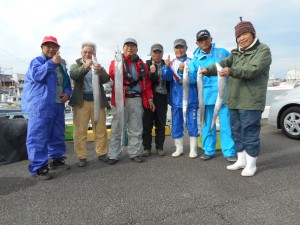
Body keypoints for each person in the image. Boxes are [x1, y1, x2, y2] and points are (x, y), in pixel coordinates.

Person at [201, 18, 272, 176]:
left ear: (252, 34)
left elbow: (253, 69)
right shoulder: (235, 54)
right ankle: (241, 160)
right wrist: (207, 70)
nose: (241, 38)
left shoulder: (263, 50)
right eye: (238, 36)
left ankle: (251, 164)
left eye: (244, 33)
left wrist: (232, 71)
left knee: (250, 132)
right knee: (236, 131)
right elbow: (221, 63)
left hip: (251, 101)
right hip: (234, 100)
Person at [22, 36, 72, 180]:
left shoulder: (62, 65)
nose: (51, 49)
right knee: (37, 136)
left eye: (54, 46)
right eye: (47, 46)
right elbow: (37, 76)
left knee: (57, 133)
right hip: (41, 105)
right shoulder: (37, 61)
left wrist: (67, 93)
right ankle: (38, 168)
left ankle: (56, 159)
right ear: (42, 48)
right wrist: (51, 63)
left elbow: (67, 83)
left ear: (58, 48)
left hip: (57, 104)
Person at [189, 29, 236, 162]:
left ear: (211, 38)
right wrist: (183, 72)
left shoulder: (223, 53)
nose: (204, 42)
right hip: (206, 97)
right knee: (207, 124)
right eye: (201, 40)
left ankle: (229, 151)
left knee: (226, 124)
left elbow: (234, 67)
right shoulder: (195, 60)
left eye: (206, 38)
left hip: (224, 96)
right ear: (197, 43)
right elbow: (192, 80)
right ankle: (208, 150)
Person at [107, 38, 155, 165]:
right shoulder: (115, 61)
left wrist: (150, 98)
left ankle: (134, 153)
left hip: (137, 99)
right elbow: (112, 74)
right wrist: (118, 63)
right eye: (127, 46)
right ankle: (114, 154)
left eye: (132, 46)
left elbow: (147, 83)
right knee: (117, 127)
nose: (130, 48)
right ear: (123, 48)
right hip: (120, 99)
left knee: (136, 128)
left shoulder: (142, 64)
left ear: (137, 49)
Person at [69, 42, 110, 167]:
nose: (87, 54)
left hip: (98, 102)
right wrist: (85, 67)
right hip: (82, 103)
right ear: (81, 53)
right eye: (85, 52)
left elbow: (106, 79)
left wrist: (101, 71)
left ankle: (102, 153)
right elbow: (74, 75)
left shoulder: (98, 66)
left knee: (101, 129)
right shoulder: (75, 65)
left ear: (94, 54)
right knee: (80, 130)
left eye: (90, 52)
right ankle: (82, 156)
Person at [162, 39, 198, 158]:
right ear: (174, 50)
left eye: (181, 47)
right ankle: (179, 148)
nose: (179, 50)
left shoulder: (193, 62)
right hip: (176, 100)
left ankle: (193, 149)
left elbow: (196, 79)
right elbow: (166, 78)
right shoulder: (170, 63)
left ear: (186, 48)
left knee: (192, 124)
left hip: (191, 99)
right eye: (177, 48)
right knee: (176, 124)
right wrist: (166, 68)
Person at [142, 44, 171, 157]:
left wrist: (168, 68)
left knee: (161, 123)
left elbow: (170, 80)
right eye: (155, 52)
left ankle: (159, 147)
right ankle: (147, 147)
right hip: (150, 96)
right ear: (151, 53)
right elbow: (147, 82)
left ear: (162, 54)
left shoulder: (166, 64)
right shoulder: (146, 65)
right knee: (147, 123)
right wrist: (152, 72)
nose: (157, 55)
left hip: (162, 97)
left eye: (159, 52)